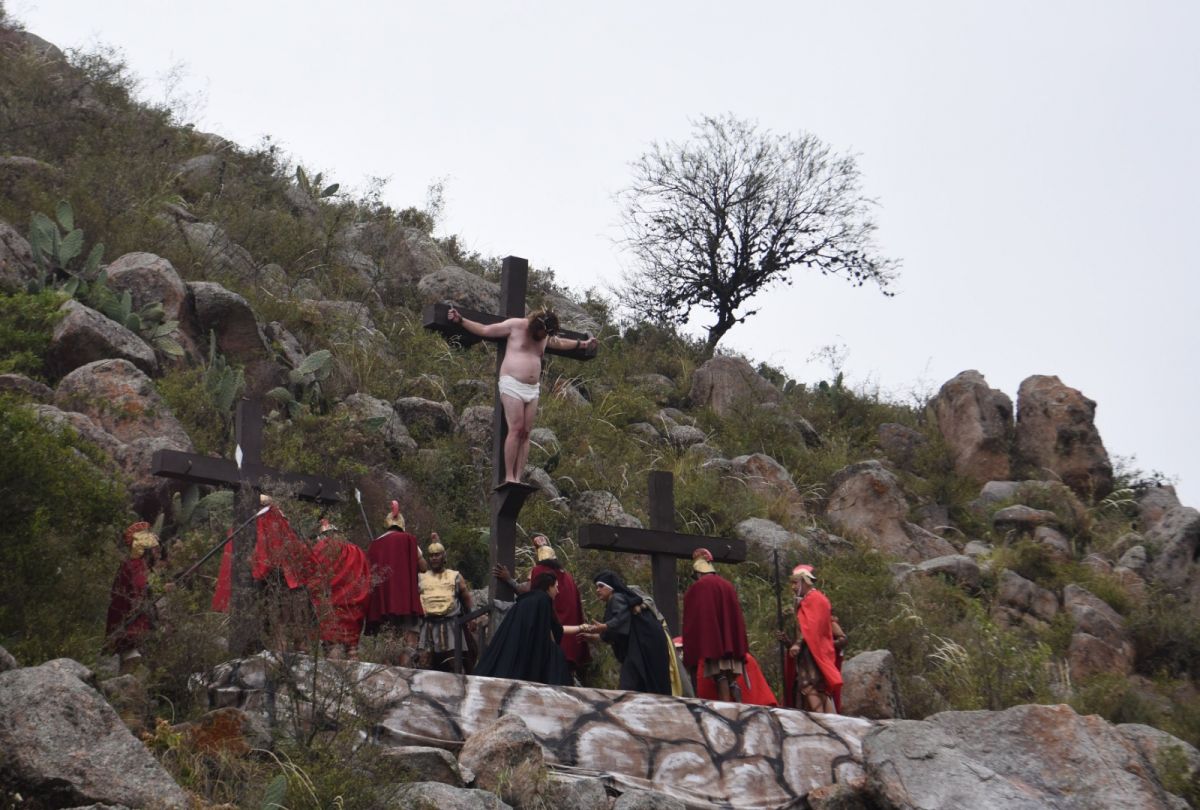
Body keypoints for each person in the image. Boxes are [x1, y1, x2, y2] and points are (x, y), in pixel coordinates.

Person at [447, 306, 597, 484]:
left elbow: (560, 343)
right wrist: (461, 320)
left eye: (546, 334)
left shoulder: (545, 334)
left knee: (526, 433)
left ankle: (518, 477)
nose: (543, 337)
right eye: (541, 333)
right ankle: (509, 476)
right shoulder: (516, 326)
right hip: (512, 383)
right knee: (516, 429)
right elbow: (485, 330)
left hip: (532, 389)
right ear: (535, 326)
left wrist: (582, 344)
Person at [212, 496, 316, 651]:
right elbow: (301, 556)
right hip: (280, 584)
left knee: (280, 630)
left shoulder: (256, 523)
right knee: (288, 630)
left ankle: (283, 663)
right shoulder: (276, 523)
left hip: (271, 586)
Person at [492, 534, 591, 680]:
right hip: (569, 642)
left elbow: (525, 589)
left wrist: (508, 579)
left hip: (550, 640)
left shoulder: (540, 571)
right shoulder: (568, 577)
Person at [474, 572, 590, 686]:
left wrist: (580, 628)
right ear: (549, 587)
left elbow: (554, 629)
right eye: (556, 587)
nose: (558, 591)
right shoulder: (543, 601)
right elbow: (550, 635)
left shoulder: (523, 602)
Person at [681, 548, 749, 702]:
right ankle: (738, 706)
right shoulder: (727, 585)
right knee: (732, 679)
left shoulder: (699, 587)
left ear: (698, 572)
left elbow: (695, 620)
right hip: (730, 641)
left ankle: (726, 712)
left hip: (714, 643)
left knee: (720, 676)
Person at [588, 571, 672, 695]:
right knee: (646, 684)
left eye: (601, 586)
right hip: (644, 644)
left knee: (630, 685)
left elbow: (620, 619)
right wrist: (596, 636)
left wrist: (605, 626)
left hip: (643, 644)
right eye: (597, 587)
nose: (597, 590)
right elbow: (615, 631)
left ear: (611, 588)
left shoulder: (616, 598)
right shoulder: (618, 599)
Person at [365, 501, 427, 665]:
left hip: (384, 602)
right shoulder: (409, 540)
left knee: (387, 639)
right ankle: (405, 672)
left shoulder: (375, 544)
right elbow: (423, 567)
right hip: (407, 600)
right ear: (402, 524)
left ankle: (386, 675)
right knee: (409, 639)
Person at [105, 521, 165, 674]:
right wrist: (162, 589)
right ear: (145, 550)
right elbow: (141, 589)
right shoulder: (136, 566)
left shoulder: (134, 564)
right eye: (155, 549)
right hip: (131, 624)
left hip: (129, 621)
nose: (157, 553)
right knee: (132, 659)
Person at [783, 564, 844, 713]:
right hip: (813, 652)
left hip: (814, 653)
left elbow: (811, 627)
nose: (792, 587)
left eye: (795, 582)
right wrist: (788, 642)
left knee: (809, 686)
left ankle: (824, 724)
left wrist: (797, 644)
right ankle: (831, 724)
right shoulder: (814, 599)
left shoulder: (814, 599)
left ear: (804, 581)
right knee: (819, 689)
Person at [309, 519, 371, 660]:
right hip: (354, 606)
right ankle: (354, 681)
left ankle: (335, 682)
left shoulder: (319, 549)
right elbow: (367, 578)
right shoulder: (356, 551)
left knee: (333, 645)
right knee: (352, 648)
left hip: (330, 607)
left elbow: (313, 579)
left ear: (322, 536)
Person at [417, 537, 478, 673]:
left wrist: (472, 616)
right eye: (431, 555)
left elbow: (466, 598)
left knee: (455, 664)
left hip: (451, 625)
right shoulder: (422, 577)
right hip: (428, 625)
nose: (434, 558)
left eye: (437, 555)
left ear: (443, 556)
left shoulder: (455, 576)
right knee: (424, 663)